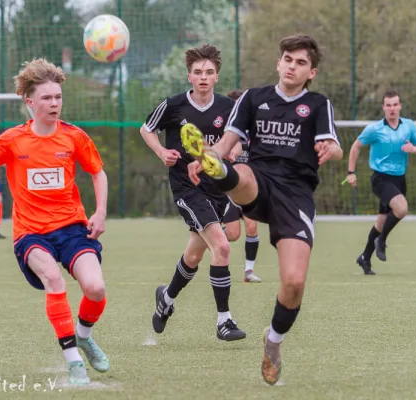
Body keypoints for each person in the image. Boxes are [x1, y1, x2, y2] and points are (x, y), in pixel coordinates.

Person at [180, 35, 343, 385]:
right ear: (278, 63)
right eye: (287, 59)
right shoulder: (254, 98)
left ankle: (273, 341)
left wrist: (332, 150)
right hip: (259, 179)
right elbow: (226, 145)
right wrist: (206, 160)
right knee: (241, 174)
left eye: (300, 62)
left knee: (294, 282)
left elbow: (335, 147)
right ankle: (220, 174)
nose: (291, 66)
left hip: (296, 194)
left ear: (310, 71)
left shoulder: (317, 105)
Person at [0, 58, 109, 386]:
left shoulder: (74, 137)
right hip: (31, 233)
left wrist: (100, 212)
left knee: (96, 288)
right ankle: (74, 360)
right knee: (53, 280)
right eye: (46, 98)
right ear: (30, 102)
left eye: (58, 97)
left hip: (73, 227)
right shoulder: (12, 140)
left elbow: (97, 172)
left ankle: (85, 337)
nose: (54, 103)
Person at [139, 44, 246, 341]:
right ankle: (224, 321)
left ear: (216, 77)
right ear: (189, 76)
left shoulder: (228, 107)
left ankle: (166, 298)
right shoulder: (173, 106)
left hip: (218, 188)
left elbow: (238, 137)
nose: (203, 77)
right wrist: (162, 151)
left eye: (209, 72)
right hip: (187, 188)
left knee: (195, 255)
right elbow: (146, 129)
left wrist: (235, 149)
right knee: (222, 247)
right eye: (198, 72)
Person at [346, 89, 416, 274]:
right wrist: (351, 172)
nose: (392, 108)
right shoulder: (374, 129)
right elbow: (356, 147)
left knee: (381, 223)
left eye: (395, 105)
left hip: (399, 180)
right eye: (388, 105)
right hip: (381, 179)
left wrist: (413, 149)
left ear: (400, 106)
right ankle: (381, 241)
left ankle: (365, 258)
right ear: (383, 107)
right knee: (402, 209)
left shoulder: (409, 126)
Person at [222, 89, 262, 283]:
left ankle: (248, 271)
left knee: (252, 225)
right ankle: (209, 235)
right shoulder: (226, 130)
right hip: (229, 189)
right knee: (232, 234)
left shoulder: (255, 129)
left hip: (249, 187)